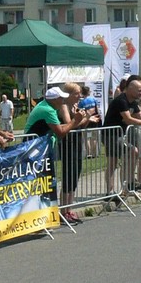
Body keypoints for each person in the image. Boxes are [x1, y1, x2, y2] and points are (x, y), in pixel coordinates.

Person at [103, 78, 141, 193]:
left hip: (121, 134)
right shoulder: (121, 101)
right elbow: (128, 119)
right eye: (139, 90)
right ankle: (110, 192)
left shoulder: (133, 102)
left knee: (133, 152)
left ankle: (130, 183)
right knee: (113, 162)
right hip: (111, 134)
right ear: (130, 89)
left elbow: (140, 117)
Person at [56, 83, 100, 224]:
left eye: (80, 93)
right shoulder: (64, 106)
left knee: (75, 174)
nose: (79, 96)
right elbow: (70, 124)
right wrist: (82, 118)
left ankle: (69, 209)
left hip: (77, 142)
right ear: (68, 94)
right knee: (68, 176)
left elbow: (80, 124)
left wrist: (87, 118)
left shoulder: (76, 106)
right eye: (76, 93)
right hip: (68, 143)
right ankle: (63, 210)